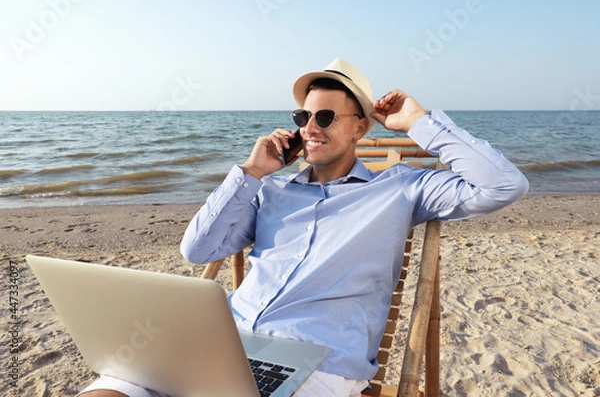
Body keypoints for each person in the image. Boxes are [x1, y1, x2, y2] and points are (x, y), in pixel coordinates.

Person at [79, 59, 528, 397]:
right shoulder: (270, 193)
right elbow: (197, 251)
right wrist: (252, 172)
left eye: (326, 118)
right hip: (224, 342)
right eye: (303, 117)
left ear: (361, 127)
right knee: (108, 388)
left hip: (319, 364)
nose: (310, 128)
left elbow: (505, 184)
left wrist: (417, 122)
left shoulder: (401, 191)